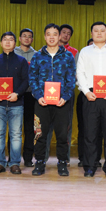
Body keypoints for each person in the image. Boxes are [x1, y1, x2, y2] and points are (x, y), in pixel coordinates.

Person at [76, 22, 106, 177]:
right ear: (91, 34)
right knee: (90, 134)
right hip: (90, 96)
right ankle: (90, 166)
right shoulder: (85, 52)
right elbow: (80, 73)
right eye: (95, 31)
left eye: (102, 30)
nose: (99, 33)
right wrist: (85, 91)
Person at [29, 24, 76, 176]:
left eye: (55, 34)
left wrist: (65, 97)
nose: (51, 37)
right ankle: (40, 162)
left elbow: (71, 79)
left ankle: (62, 162)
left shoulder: (68, 56)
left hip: (62, 102)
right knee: (40, 133)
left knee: (62, 134)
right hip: (42, 102)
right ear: (44, 36)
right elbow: (32, 78)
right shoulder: (37, 56)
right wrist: (38, 95)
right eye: (48, 34)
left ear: (59, 36)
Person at [0, 32, 29, 174]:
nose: (8, 42)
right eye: (5, 40)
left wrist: (17, 94)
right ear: (1, 43)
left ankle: (15, 163)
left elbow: (26, 80)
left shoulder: (21, 61)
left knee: (16, 135)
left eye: (11, 40)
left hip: (16, 104)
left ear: (15, 43)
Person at [43, 23, 78, 163]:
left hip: (65, 94)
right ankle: (42, 158)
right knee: (45, 127)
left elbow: (74, 74)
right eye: (63, 32)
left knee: (65, 127)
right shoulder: (43, 53)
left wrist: (65, 93)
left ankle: (64, 159)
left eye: (69, 34)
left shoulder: (73, 53)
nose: (66, 35)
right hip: (46, 94)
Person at [77, 38, 103, 167]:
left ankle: (96, 159)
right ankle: (84, 158)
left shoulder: (105, 59)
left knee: (99, 130)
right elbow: (79, 74)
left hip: (103, 95)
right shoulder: (84, 55)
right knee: (84, 129)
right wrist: (86, 91)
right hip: (86, 94)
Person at [14, 28, 37, 167]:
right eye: (24, 36)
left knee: (30, 128)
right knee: (15, 128)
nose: (27, 38)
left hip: (31, 95)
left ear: (32, 39)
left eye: (29, 36)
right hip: (15, 94)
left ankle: (28, 158)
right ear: (19, 38)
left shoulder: (37, 55)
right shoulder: (13, 53)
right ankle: (13, 158)